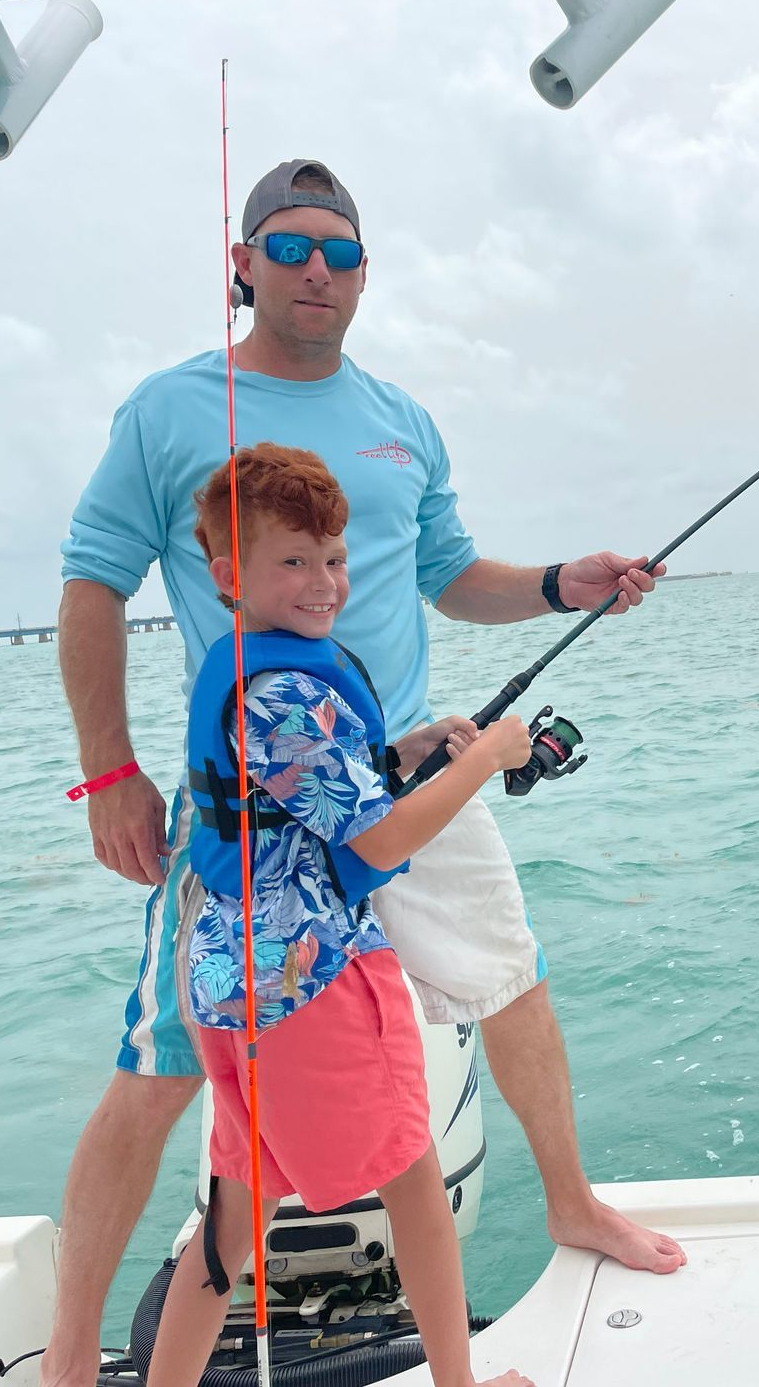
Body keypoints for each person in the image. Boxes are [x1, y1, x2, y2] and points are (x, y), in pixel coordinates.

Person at [46, 159, 682, 1386]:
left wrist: (566, 584)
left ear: (365, 271)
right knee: (163, 1069)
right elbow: (91, 580)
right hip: (260, 809)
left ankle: (572, 1204)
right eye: (288, 248)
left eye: (339, 251)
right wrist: (108, 771)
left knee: (513, 983)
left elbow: (450, 573)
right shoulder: (170, 409)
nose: (316, 271)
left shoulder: (402, 417)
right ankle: (73, 1366)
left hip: (409, 761)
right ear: (241, 263)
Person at [146, 443, 532, 1387]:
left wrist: (410, 749)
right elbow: (376, 846)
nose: (323, 584)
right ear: (229, 573)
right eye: (292, 562)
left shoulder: (256, 676)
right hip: (311, 981)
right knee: (413, 1182)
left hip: (227, 983)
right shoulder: (285, 689)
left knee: (231, 1221)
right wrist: (484, 761)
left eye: (334, 559)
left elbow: (310, 799)